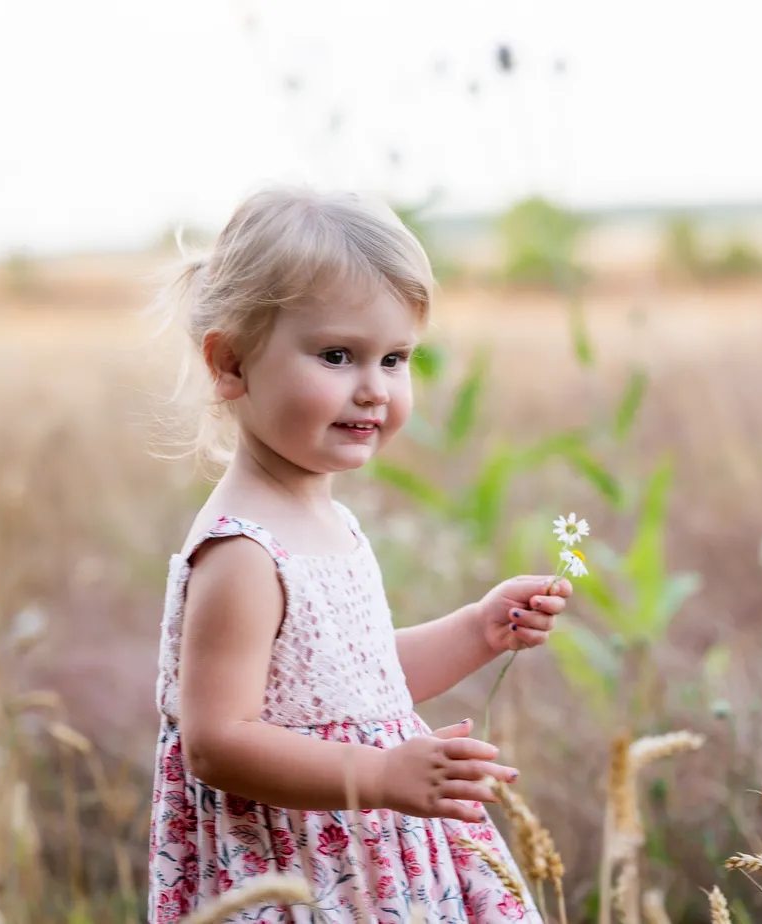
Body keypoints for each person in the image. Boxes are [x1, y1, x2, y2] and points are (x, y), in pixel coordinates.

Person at [146, 185, 572, 922]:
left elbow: (347, 689)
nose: (374, 390)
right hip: (302, 872)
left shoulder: (329, 517)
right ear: (231, 364)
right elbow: (217, 742)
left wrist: (476, 630)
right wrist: (380, 774)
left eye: (396, 359)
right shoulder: (243, 554)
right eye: (338, 356)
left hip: (374, 859)